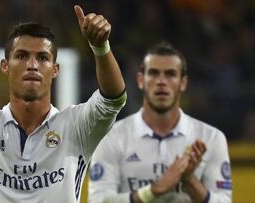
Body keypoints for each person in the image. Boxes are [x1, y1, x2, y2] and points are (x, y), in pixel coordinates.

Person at [0, 4, 126, 203]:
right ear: (5, 66)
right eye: (22, 56)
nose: (32, 65)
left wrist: (100, 47)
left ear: (55, 70)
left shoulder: (75, 126)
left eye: (42, 58)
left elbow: (113, 99)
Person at [88, 42, 232, 203]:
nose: (161, 81)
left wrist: (189, 180)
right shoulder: (111, 137)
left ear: (183, 83)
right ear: (141, 80)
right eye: (154, 73)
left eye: (170, 74)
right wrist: (154, 190)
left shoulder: (211, 138)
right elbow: (98, 200)